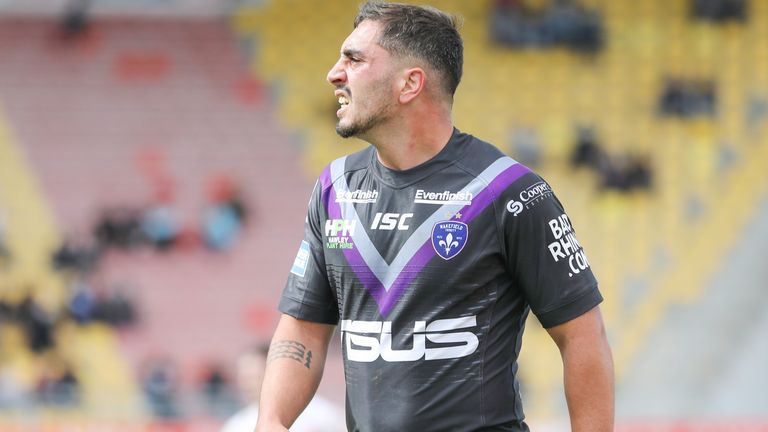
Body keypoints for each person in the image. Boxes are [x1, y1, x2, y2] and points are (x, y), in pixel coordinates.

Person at [256, 2, 614, 431]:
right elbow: (303, 329)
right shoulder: (336, 188)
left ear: (410, 84)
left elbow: (581, 335)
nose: (334, 73)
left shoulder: (510, 192)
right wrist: (271, 422)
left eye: (354, 59)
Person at [220, 344, 343, 432]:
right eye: (244, 376)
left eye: (254, 375)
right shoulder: (237, 425)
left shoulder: (320, 413)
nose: (248, 383)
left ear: (274, 374)